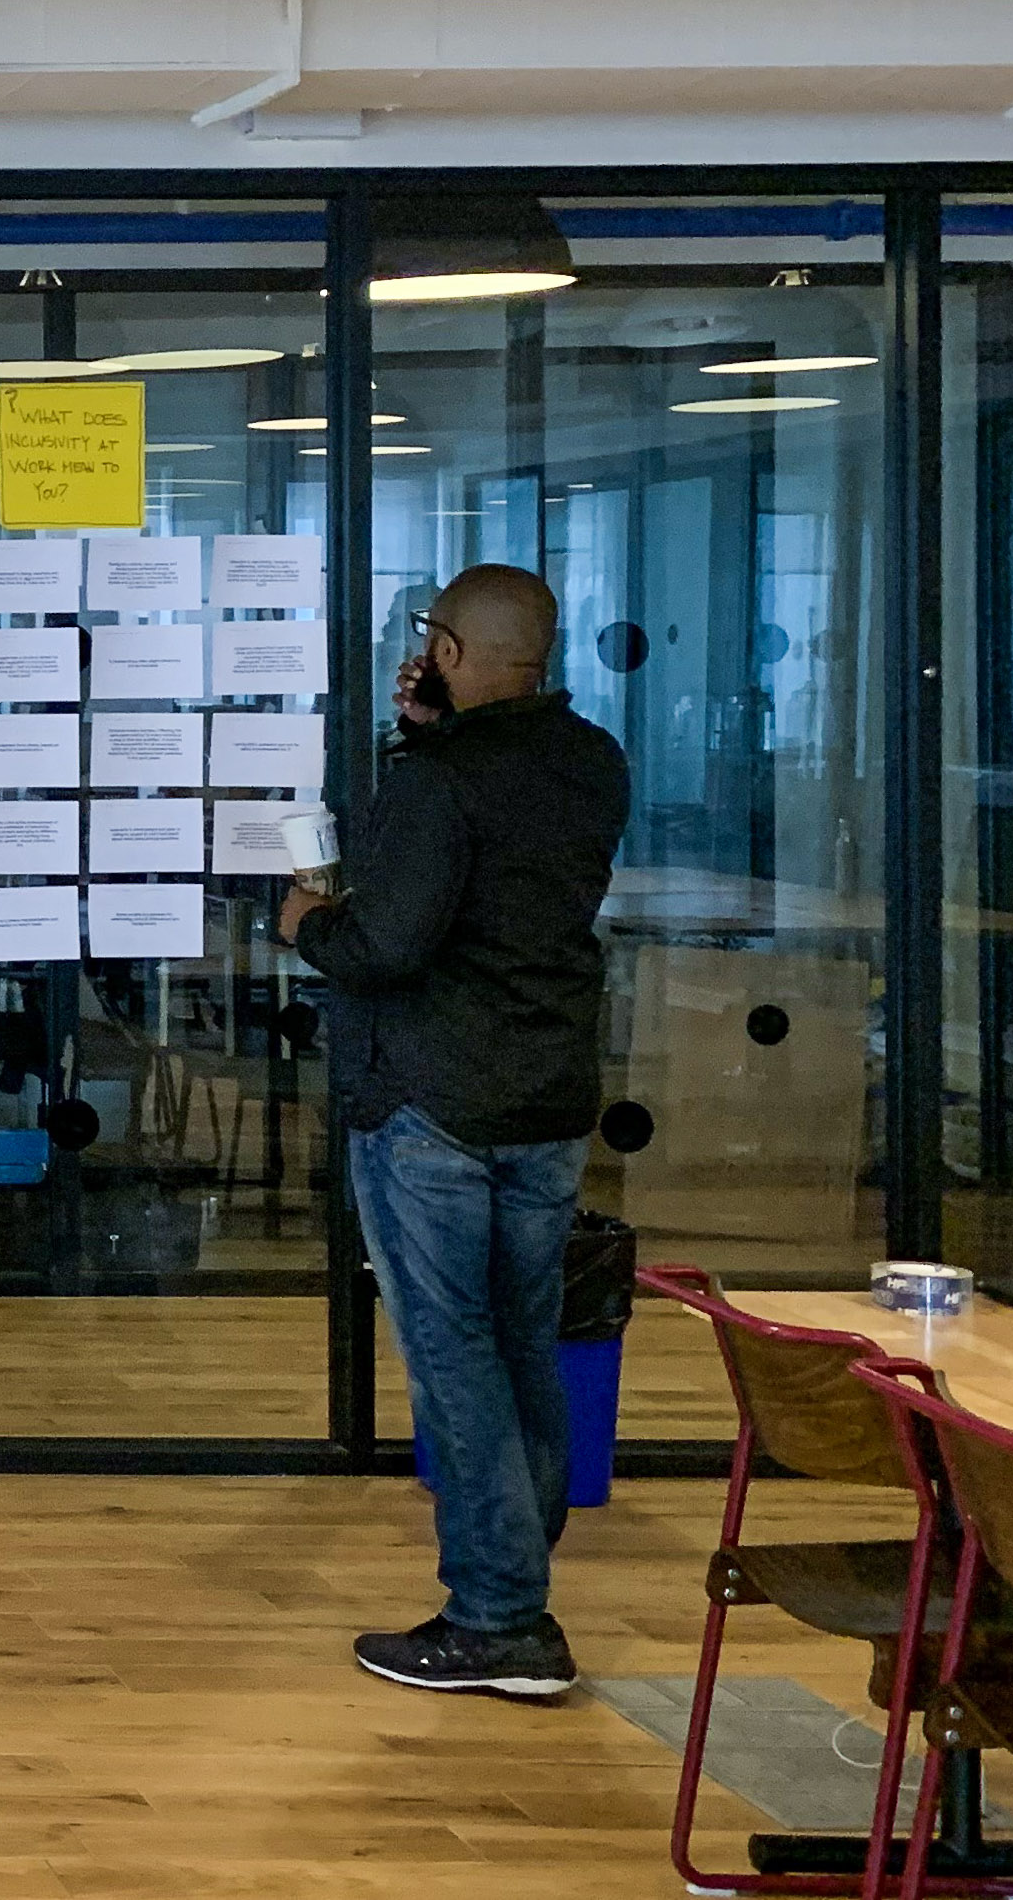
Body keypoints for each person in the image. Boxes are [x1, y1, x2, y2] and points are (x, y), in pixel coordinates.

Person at [279, 564, 630, 1699]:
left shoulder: (436, 781)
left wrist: (307, 921)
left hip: (432, 1104)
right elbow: (502, 863)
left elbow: (385, 945)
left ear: (454, 651)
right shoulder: (592, 760)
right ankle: (516, 1573)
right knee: (522, 1343)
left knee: (453, 1357)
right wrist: (432, 733)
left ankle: (499, 1618)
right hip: (546, 1098)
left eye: (433, 637)